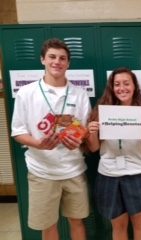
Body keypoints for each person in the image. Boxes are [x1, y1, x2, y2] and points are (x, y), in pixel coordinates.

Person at [11, 38, 91, 240]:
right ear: (42, 60)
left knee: (77, 220)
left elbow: (85, 129)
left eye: (62, 58)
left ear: (68, 63)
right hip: (42, 170)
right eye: (52, 57)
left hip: (73, 169)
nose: (57, 62)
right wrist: (38, 143)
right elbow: (18, 132)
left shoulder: (79, 94)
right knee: (48, 225)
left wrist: (79, 140)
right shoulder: (26, 93)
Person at [86, 67, 141, 240]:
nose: (122, 88)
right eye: (117, 84)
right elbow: (94, 148)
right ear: (112, 87)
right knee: (118, 226)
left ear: (134, 86)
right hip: (109, 175)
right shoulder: (101, 112)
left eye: (126, 83)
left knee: (140, 224)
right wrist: (92, 132)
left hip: (138, 174)